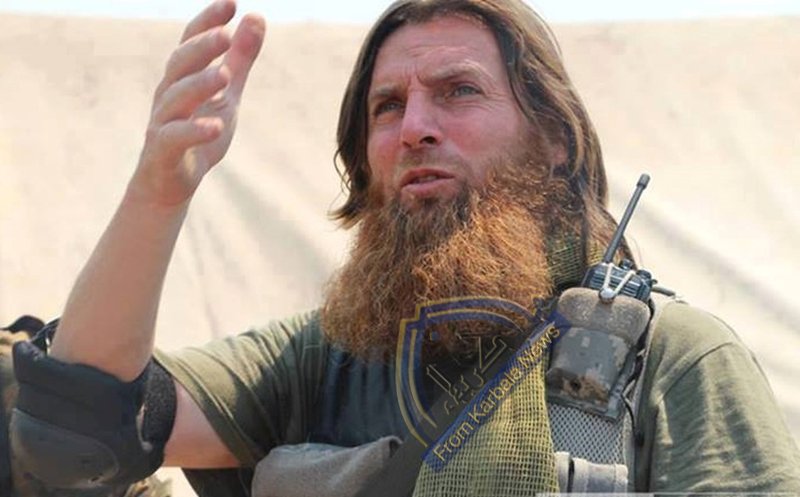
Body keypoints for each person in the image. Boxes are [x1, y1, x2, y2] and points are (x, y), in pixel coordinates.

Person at [9, 0, 800, 496]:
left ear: (554, 139)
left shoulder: (672, 361)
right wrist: (157, 196)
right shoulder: (318, 359)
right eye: (388, 105)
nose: (415, 125)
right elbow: (77, 431)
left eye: (459, 91)